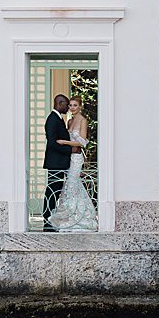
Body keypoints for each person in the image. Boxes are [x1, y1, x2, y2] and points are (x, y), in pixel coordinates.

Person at [53, 97, 95, 231]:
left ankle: (80, 216)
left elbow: (82, 142)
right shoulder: (70, 121)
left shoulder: (83, 120)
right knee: (70, 185)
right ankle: (70, 214)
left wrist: (65, 143)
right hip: (68, 156)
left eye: (75, 105)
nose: (72, 108)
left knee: (72, 183)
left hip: (76, 157)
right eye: (70, 105)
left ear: (80, 106)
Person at [41, 93, 72, 230]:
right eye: (66, 104)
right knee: (52, 190)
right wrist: (69, 151)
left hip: (59, 162)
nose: (68, 108)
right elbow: (52, 143)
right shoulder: (52, 119)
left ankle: (51, 218)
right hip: (55, 162)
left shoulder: (58, 119)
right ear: (59, 104)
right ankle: (47, 219)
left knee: (56, 190)